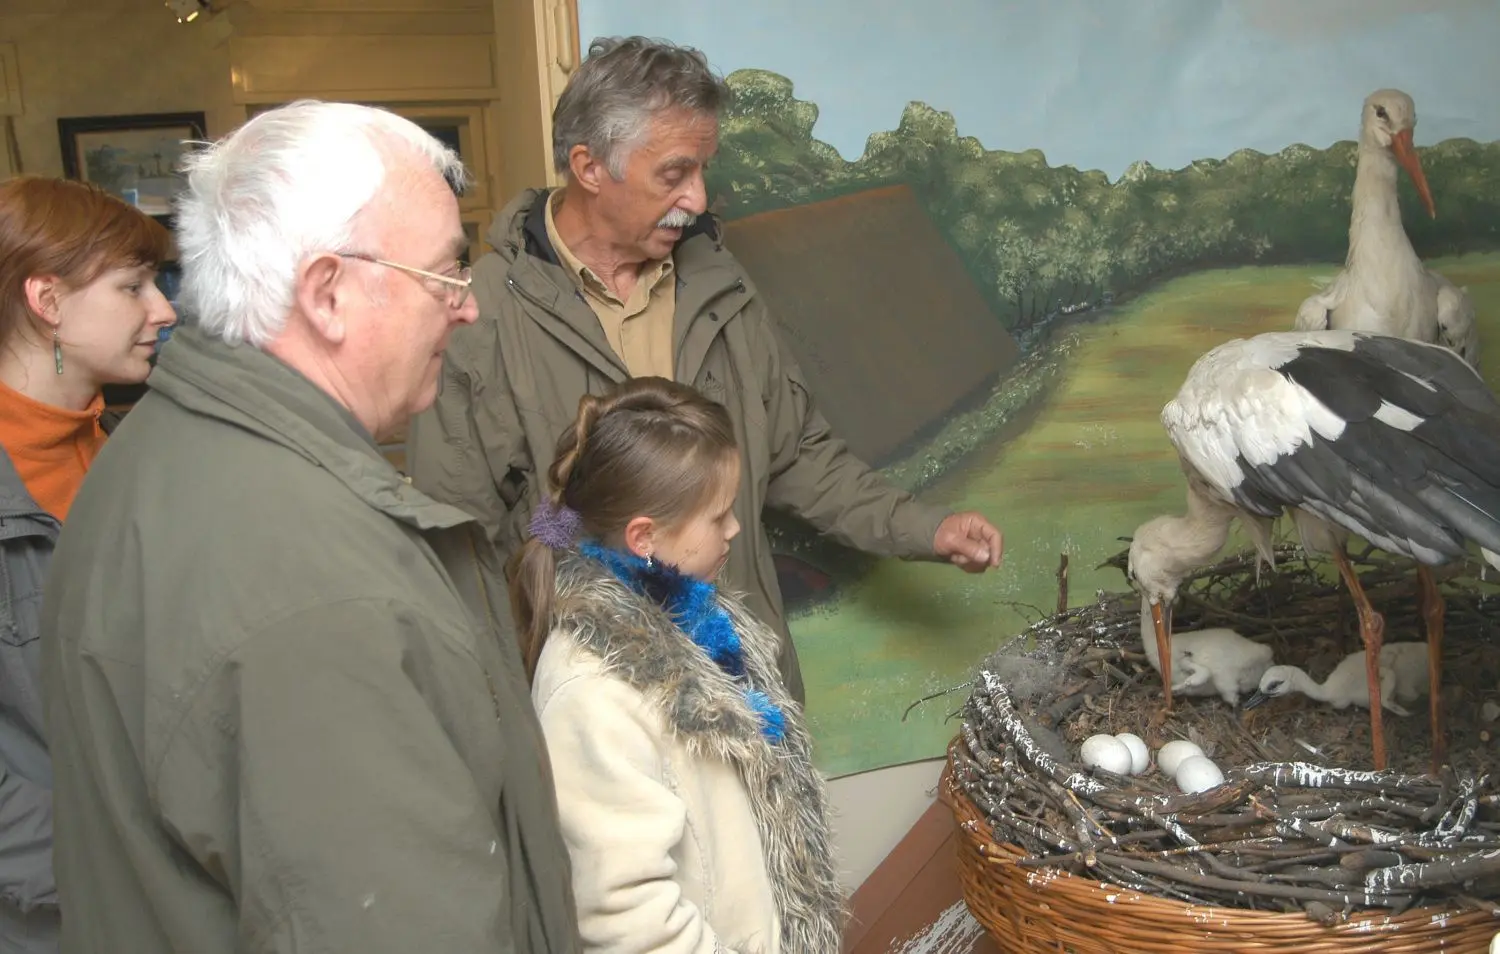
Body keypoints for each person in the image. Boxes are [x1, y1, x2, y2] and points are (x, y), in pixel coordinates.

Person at [38, 101, 579, 953]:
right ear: (328, 293)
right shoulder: (316, 591)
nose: (465, 310)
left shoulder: (158, 448)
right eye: (445, 277)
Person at [408, 36, 1004, 705]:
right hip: (591, 705)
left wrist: (925, 528)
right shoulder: (479, 314)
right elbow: (460, 543)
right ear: (589, 167)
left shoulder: (723, 285)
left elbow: (798, 454)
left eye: (703, 170)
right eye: (673, 173)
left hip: (739, 694)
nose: (697, 198)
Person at [515, 376, 844, 953]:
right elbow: (628, 921)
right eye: (718, 517)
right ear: (645, 536)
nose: (734, 529)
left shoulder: (701, 628)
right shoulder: (590, 693)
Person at [0, 176, 176, 954]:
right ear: (48, 301)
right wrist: (117, 873)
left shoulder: (130, 458)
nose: (163, 310)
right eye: (132, 287)